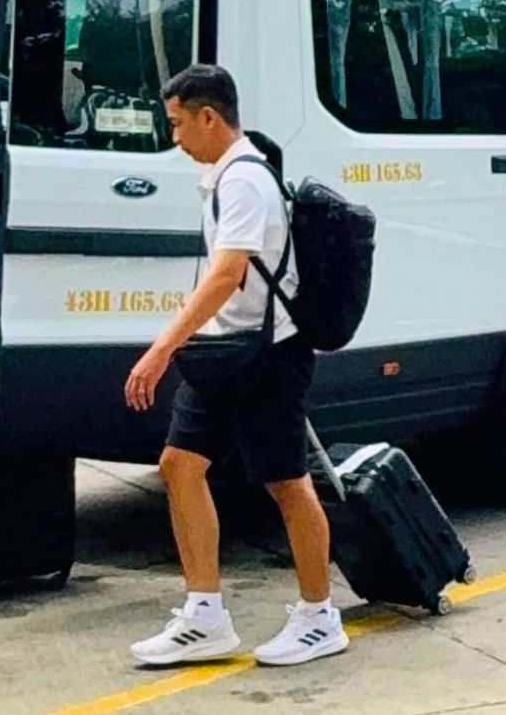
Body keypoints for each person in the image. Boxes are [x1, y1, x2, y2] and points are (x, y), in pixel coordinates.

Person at [123, 64, 346, 668]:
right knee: (179, 466)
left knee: (286, 482)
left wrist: (163, 347)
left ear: (209, 118)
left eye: (177, 125)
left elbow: (229, 273)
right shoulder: (226, 175)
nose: (175, 139)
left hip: (268, 353)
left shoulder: (244, 179)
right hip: (228, 349)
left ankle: (319, 617)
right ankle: (205, 617)